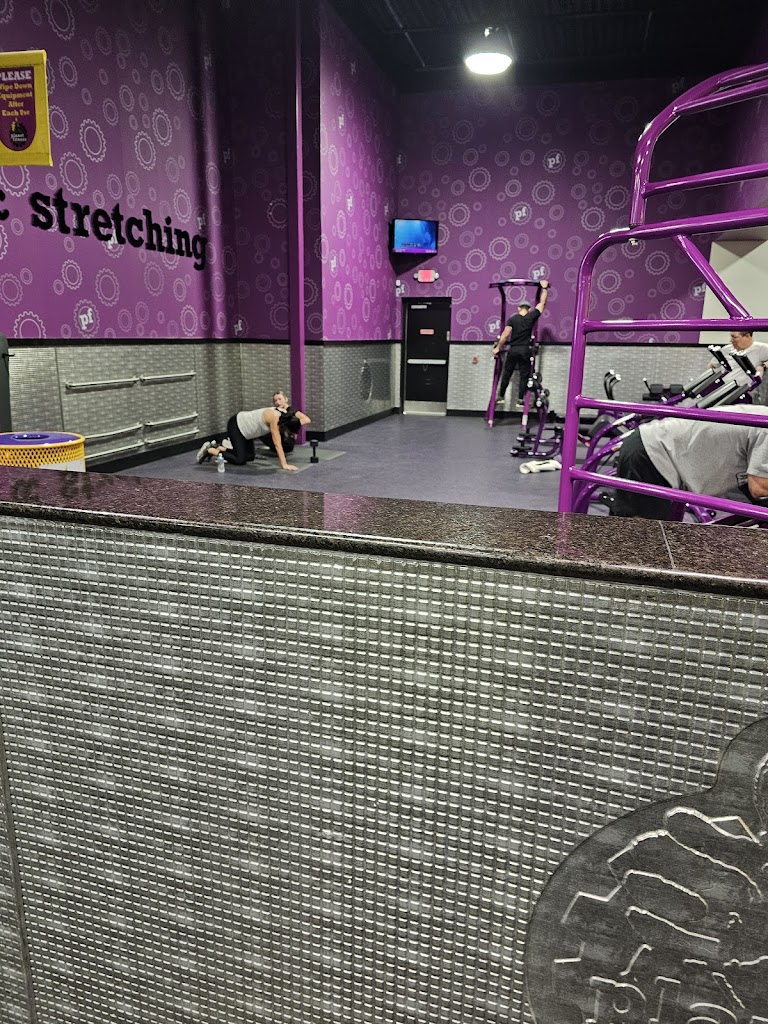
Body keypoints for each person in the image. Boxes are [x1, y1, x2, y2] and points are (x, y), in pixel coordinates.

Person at [610, 406, 768, 520]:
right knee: (644, 540)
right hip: (652, 453)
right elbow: (759, 489)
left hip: (653, 448)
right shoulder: (765, 427)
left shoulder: (763, 415)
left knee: (652, 537)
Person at [197, 391, 310, 472]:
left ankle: (219, 447)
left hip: (248, 433)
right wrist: (284, 464)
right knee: (240, 460)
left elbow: (304, 420)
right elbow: (277, 444)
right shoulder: (274, 417)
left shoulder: (285, 414)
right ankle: (210, 450)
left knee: (250, 457)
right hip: (237, 425)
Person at [491, 280, 549, 410]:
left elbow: (505, 335)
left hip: (513, 349)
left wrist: (497, 348)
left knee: (507, 373)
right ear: (528, 309)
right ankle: (520, 399)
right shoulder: (531, 317)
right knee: (524, 375)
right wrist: (545, 289)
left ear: (518, 308)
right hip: (524, 350)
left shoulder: (513, 318)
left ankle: (501, 396)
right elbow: (542, 304)